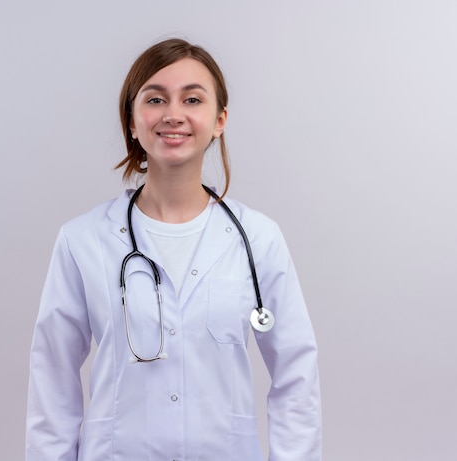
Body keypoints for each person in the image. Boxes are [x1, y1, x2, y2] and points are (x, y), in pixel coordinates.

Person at [26, 38, 321, 461]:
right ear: (132, 119)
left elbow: (297, 377)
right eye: (156, 98)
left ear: (219, 120)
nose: (173, 115)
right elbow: (51, 382)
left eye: (193, 99)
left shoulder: (258, 238)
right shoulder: (83, 239)